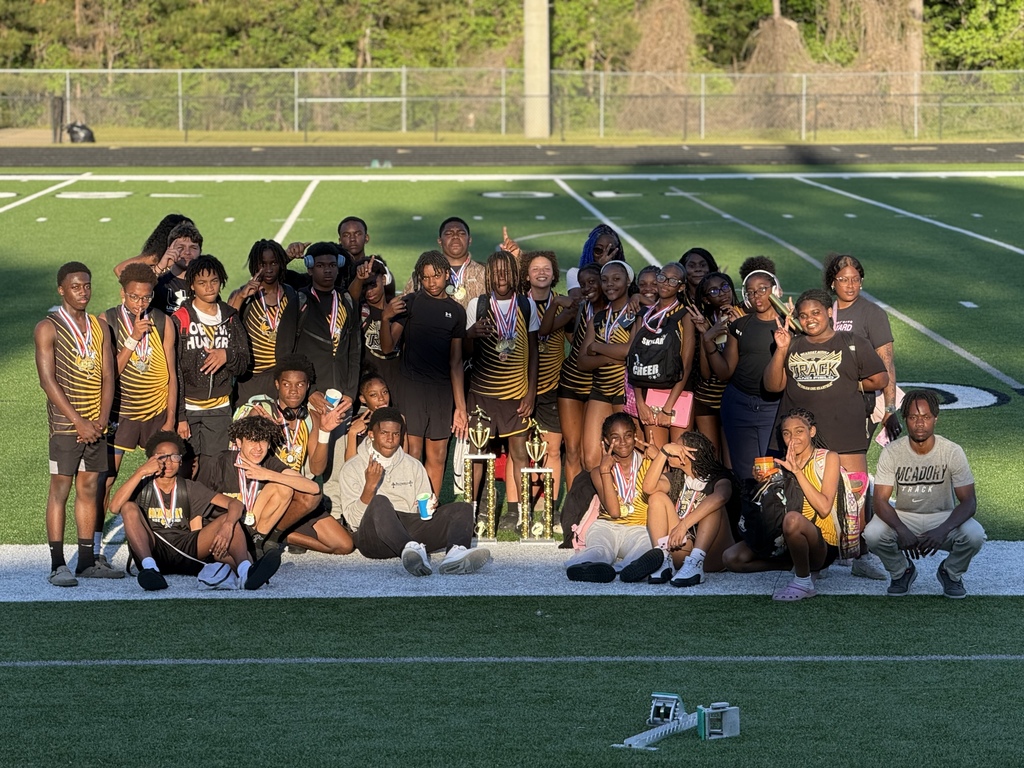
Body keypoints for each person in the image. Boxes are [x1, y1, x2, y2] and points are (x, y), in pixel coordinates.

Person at [35, 262, 120, 586]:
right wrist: (78, 421)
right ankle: (58, 564)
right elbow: (48, 380)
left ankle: (86, 561)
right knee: (60, 489)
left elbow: (109, 377)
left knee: (89, 488)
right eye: (75, 287)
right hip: (65, 426)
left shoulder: (100, 327)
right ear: (61, 290)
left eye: (86, 285)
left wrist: (99, 419)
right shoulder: (48, 327)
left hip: (95, 425)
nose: (83, 291)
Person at [109, 431, 281, 591]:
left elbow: (235, 504)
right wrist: (140, 472)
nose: (168, 462)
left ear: (181, 461)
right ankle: (150, 569)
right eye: (162, 456)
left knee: (229, 521)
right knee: (128, 507)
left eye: (174, 456)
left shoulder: (190, 487)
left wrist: (227, 526)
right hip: (153, 547)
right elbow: (115, 507)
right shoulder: (142, 484)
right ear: (151, 459)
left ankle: (246, 573)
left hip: (187, 548)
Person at [336, 407, 492, 575]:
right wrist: (369, 487)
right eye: (384, 433)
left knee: (463, 508)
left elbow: (421, 514)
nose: (390, 439)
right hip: (373, 539)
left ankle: (455, 554)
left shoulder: (413, 465)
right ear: (371, 434)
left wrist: (430, 507)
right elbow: (353, 521)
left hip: (411, 530)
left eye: (396, 434)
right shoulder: (352, 467)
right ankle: (410, 551)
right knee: (380, 501)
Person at [864, 390, 985, 598]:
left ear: (935, 419)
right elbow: (880, 502)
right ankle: (902, 571)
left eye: (926, 417)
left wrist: (943, 530)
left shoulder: (952, 451)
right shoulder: (892, 451)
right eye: (913, 417)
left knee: (975, 535)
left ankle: (951, 573)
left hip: (943, 515)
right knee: (872, 534)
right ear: (905, 419)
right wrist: (901, 529)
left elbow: (969, 502)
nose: (920, 423)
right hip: (905, 515)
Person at [233, 355, 354, 556]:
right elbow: (245, 429)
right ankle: (265, 535)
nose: (293, 390)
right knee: (311, 496)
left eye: (300, 384)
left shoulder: (312, 417)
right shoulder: (262, 409)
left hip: (296, 491)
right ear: (277, 385)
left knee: (344, 545)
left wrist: (324, 431)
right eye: (287, 384)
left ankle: (279, 534)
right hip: (266, 489)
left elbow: (317, 469)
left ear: (308, 387)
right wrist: (266, 426)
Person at [763, 288, 888, 479]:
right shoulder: (792, 344)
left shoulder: (853, 342)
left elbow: (880, 379)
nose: (809, 319)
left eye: (815, 313)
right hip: (800, 439)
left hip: (845, 437)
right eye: (803, 316)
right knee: (801, 500)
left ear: (829, 312)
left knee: (852, 499)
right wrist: (781, 350)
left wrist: (852, 385)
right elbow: (773, 386)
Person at [722, 408, 843, 601]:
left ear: (811, 432)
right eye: (786, 433)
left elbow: (824, 507)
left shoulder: (828, 458)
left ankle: (803, 581)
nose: (793, 438)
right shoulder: (778, 462)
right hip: (782, 538)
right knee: (731, 558)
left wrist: (797, 472)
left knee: (793, 520)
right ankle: (792, 563)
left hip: (821, 542)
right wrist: (761, 484)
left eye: (799, 431)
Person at [381, 250, 468, 493]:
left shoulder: (457, 312)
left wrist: (460, 408)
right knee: (412, 452)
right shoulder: (409, 303)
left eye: (436, 276)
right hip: (412, 390)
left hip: (441, 393)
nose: (431, 282)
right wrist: (386, 319)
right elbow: (388, 347)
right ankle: (407, 504)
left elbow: (456, 362)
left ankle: (431, 506)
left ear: (447, 276)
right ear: (420, 277)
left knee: (438, 456)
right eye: (426, 277)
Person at [465, 249, 539, 530]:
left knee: (519, 452)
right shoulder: (478, 304)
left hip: (516, 394)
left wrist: (530, 393)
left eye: (506, 271)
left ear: (515, 274)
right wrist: (470, 334)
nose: (501, 277)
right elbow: (467, 351)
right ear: (488, 276)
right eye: (496, 272)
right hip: (483, 392)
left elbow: (534, 353)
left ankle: (520, 513)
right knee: (478, 452)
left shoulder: (526, 305)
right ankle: (473, 511)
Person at [101, 263, 177, 509]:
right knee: (107, 478)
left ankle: (161, 536)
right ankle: (96, 539)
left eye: (146, 297)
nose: (140, 303)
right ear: (122, 293)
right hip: (121, 412)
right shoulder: (108, 320)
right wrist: (133, 337)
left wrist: (171, 418)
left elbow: (172, 375)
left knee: (164, 476)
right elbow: (109, 374)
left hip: (157, 412)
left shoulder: (163, 322)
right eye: (134, 297)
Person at [706, 257, 786, 482]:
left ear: (775, 289)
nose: (757, 295)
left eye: (762, 289)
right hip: (739, 404)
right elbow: (725, 372)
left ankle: (771, 516)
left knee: (773, 470)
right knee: (746, 473)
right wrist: (708, 343)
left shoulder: (790, 323)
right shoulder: (739, 325)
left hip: (774, 406)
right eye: (750, 292)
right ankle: (748, 516)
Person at [172, 255, 251, 475]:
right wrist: (179, 416)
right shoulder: (180, 319)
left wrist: (227, 355)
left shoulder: (231, 317)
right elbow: (173, 371)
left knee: (213, 467)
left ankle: (206, 509)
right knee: (186, 466)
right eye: (202, 282)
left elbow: (244, 363)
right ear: (192, 286)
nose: (209, 287)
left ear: (221, 281)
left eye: (214, 281)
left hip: (219, 409)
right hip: (187, 409)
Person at [198, 415, 321, 557]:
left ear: (269, 444)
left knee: (283, 486)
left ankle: (257, 542)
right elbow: (198, 500)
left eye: (263, 441)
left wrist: (267, 474)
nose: (258, 448)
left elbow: (314, 488)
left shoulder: (269, 462)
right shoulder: (218, 462)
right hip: (223, 525)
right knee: (225, 561)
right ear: (239, 442)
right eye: (252, 441)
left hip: (251, 524)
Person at [636, 431, 738, 587]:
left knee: (712, 504)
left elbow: (721, 496)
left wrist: (684, 525)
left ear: (690, 454)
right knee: (656, 497)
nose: (673, 449)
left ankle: (696, 562)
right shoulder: (677, 477)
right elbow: (648, 487)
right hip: (683, 553)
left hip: (714, 554)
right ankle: (663, 559)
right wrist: (663, 452)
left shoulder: (719, 476)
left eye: (677, 447)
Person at [565, 414, 653, 583]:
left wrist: (658, 458)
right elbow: (613, 511)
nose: (623, 442)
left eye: (628, 435)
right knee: (600, 548)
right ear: (606, 440)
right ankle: (587, 566)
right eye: (615, 438)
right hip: (607, 525)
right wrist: (605, 471)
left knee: (647, 544)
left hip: (639, 527)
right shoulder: (598, 471)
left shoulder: (647, 463)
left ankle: (632, 568)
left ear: (635, 436)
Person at [824, 252, 900, 437]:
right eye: (843, 279)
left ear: (862, 281)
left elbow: (887, 362)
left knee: (850, 459)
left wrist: (890, 408)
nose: (850, 285)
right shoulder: (824, 311)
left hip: (861, 401)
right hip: (827, 398)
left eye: (855, 279)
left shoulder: (872, 313)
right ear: (832, 283)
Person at [578, 260, 637, 472]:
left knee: (627, 454)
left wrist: (597, 347)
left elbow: (630, 351)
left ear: (628, 281)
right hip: (600, 390)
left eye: (616, 279)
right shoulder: (599, 318)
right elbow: (582, 361)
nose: (610, 284)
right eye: (605, 280)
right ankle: (601, 504)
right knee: (591, 459)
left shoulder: (637, 313)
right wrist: (611, 357)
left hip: (625, 391)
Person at [627, 261, 692, 449]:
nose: (665, 283)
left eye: (672, 280)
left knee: (680, 457)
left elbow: (686, 365)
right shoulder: (645, 314)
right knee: (656, 455)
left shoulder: (684, 315)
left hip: (677, 393)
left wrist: (668, 407)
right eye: (662, 277)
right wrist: (640, 402)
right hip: (649, 393)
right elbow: (635, 361)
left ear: (681, 287)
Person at [520, 250, 566, 510]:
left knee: (552, 448)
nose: (541, 272)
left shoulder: (562, 302)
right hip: (521, 385)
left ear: (554, 274)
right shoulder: (518, 303)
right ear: (527, 275)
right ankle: (530, 497)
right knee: (526, 446)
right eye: (535, 268)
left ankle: (548, 502)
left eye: (546, 268)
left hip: (553, 386)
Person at [229, 239, 301, 402]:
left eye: (274, 263)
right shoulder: (244, 296)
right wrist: (241, 296)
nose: (268, 269)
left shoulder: (291, 294)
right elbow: (225, 324)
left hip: (281, 377)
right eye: (263, 264)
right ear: (255, 265)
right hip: (251, 378)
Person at [554, 262, 604, 490]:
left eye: (592, 282)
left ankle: (593, 504)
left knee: (590, 454)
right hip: (571, 384)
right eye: (582, 284)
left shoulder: (617, 310)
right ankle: (574, 510)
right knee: (572, 450)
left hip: (597, 388)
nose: (586, 288)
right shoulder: (580, 307)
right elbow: (546, 329)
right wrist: (557, 302)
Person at [294, 243, 364, 401]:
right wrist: (309, 390)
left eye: (332, 265)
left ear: (338, 267)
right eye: (320, 265)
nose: (327, 270)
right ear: (310, 268)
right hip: (309, 394)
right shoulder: (299, 300)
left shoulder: (346, 299)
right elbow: (287, 351)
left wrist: (350, 393)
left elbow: (355, 351)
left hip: (342, 395)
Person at [687, 271, 743, 463]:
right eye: (714, 290)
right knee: (711, 457)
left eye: (725, 286)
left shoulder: (742, 315)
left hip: (733, 398)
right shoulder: (703, 321)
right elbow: (704, 372)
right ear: (706, 299)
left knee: (732, 459)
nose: (722, 293)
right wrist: (706, 335)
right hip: (707, 398)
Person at [403, 217, 486, 310]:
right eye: (448, 233)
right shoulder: (422, 274)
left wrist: (506, 256)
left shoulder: (484, 273)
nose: (455, 236)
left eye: (461, 233)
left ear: (469, 240)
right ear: (440, 241)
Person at [358, 255, 400, 393]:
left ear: (383, 279)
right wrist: (385, 319)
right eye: (364, 286)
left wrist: (386, 318)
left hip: (398, 388)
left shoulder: (399, 309)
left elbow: (388, 349)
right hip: (369, 392)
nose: (369, 291)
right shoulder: (359, 312)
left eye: (372, 284)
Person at [345, 372, 397, 461]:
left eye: (384, 392)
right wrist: (352, 433)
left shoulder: (397, 420)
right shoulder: (356, 422)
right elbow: (349, 464)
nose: (381, 398)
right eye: (374, 395)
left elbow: (403, 458)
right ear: (363, 399)